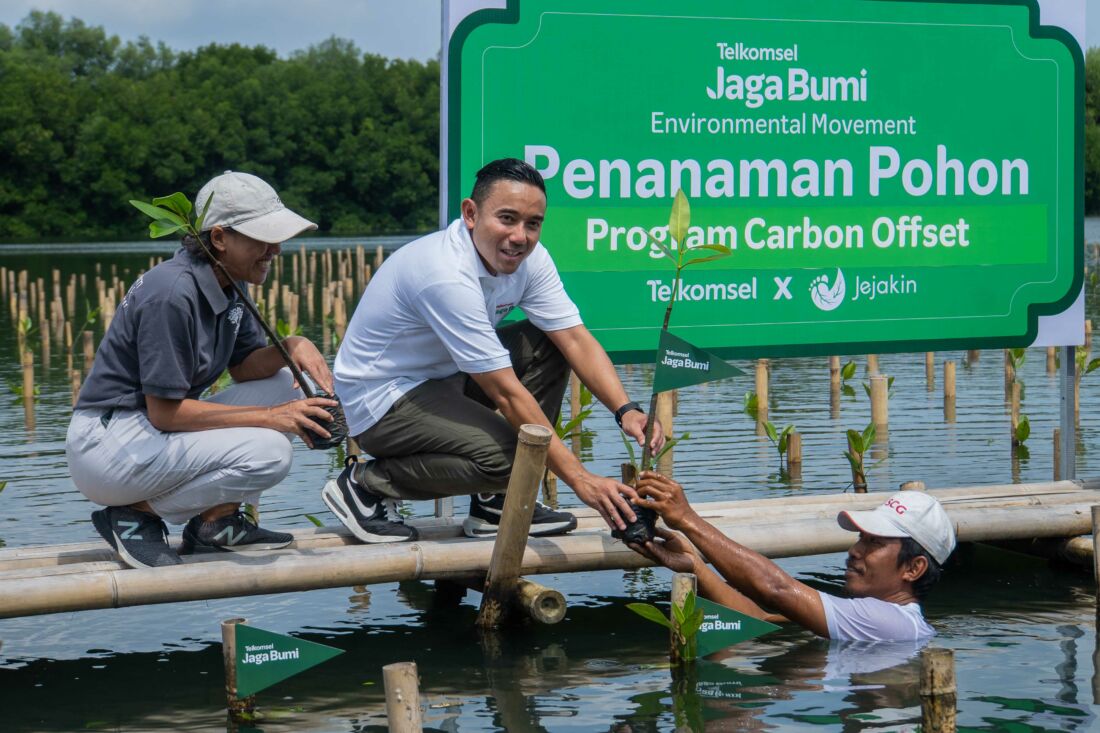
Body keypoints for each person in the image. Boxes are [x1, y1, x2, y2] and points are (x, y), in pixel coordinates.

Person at [326, 157, 663, 543]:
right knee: (518, 458)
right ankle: (366, 484)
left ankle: (497, 503)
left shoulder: (529, 259)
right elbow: (505, 390)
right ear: (470, 213)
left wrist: (626, 410)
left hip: (444, 378)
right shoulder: (444, 274)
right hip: (382, 399)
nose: (520, 236)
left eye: (532, 223)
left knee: (548, 343)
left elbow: (574, 338)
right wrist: (582, 480)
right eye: (507, 218)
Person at [67, 171, 338, 569]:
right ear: (219, 238)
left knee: (287, 387)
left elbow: (246, 368)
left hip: (148, 433)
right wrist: (271, 419)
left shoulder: (230, 281)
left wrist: (291, 345)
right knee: (270, 451)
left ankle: (216, 523)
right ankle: (135, 515)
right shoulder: (172, 294)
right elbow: (165, 412)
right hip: (109, 445)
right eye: (262, 238)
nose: (275, 250)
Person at [629, 473, 956, 641]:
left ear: (914, 568)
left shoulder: (893, 624)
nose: (855, 550)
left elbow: (777, 590)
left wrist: (687, 519)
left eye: (874, 543)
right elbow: (762, 619)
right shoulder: (870, 617)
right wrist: (696, 565)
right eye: (861, 538)